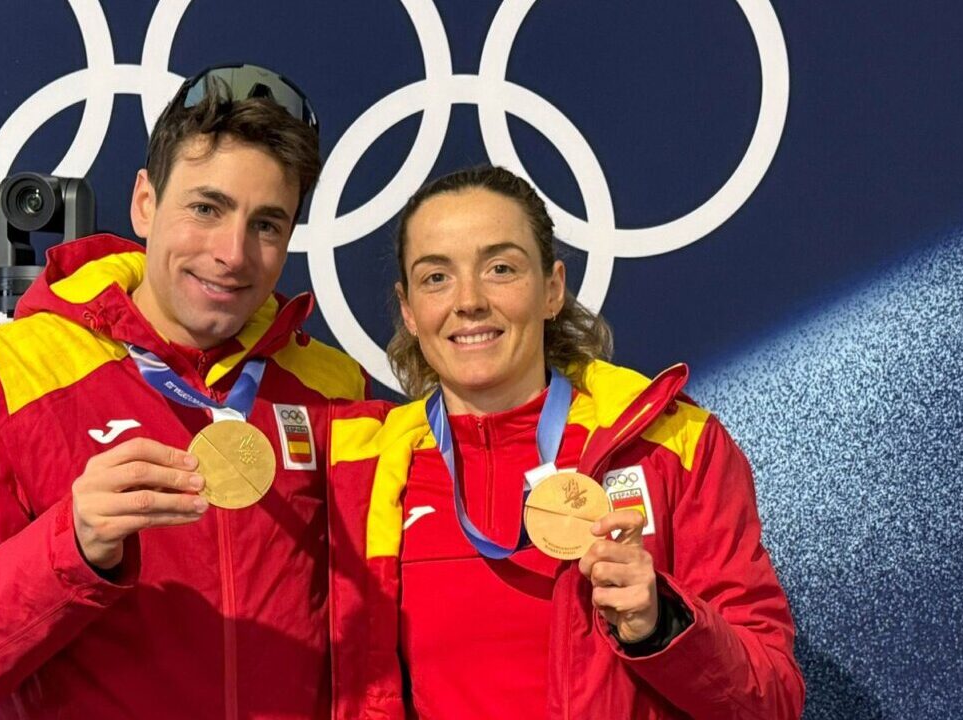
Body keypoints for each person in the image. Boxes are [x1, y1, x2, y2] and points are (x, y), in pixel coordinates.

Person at [0, 64, 371, 719]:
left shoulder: (332, 387)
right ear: (145, 202)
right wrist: (69, 545)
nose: (233, 253)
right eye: (206, 208)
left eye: (267, 225)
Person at [327, 166, 805, 718]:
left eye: (500, 268)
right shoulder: (361, 476)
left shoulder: (670, 444)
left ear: (552, 289)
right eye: (436, 277)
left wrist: (662, 623)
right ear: (409, 310)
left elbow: (773, 700)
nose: (469, 301)